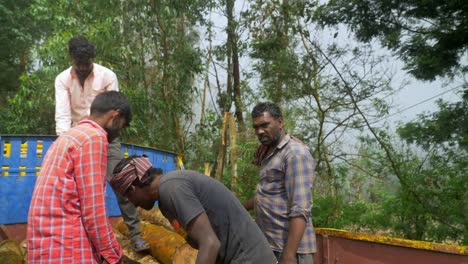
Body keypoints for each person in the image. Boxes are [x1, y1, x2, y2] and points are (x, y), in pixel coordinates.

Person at [54, 35, 149, 251]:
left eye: (86, 64)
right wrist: (67, 143)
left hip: (108, 136)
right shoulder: (62, 80)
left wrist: (103, 138)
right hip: (77, 138)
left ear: (92, 60)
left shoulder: (107, 76)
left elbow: (115, 110)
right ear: (72, 59)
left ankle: (136, 234)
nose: (83, 68)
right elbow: (62, 116)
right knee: (77, 187)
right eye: (79, 64)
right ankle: (79, 236)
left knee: (119, 179)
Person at [110, 155, 278, 264]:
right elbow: (199, 241)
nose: (131, 204)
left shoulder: (171, 189)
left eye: (128, 198)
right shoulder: (166, 195)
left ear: (132, 189)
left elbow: (210, 243)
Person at [27, 91, 131, 263]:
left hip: (46, 248)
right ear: (116, 115)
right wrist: (115, 256)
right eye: (122, 126)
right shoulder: (94, 138)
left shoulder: (69, 136)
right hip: (68, 248)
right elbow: (94, 209)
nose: (118, 133)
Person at [243, 102, 316, 264]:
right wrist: (237, 206)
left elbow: (300, 208)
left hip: (291, 250)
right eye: (256, 127)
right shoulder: (270, 154)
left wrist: (288, 256)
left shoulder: (295, 154)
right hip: (270, 245)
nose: (260, 131)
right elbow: (268, 197)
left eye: (265, 125)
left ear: (280, 122)